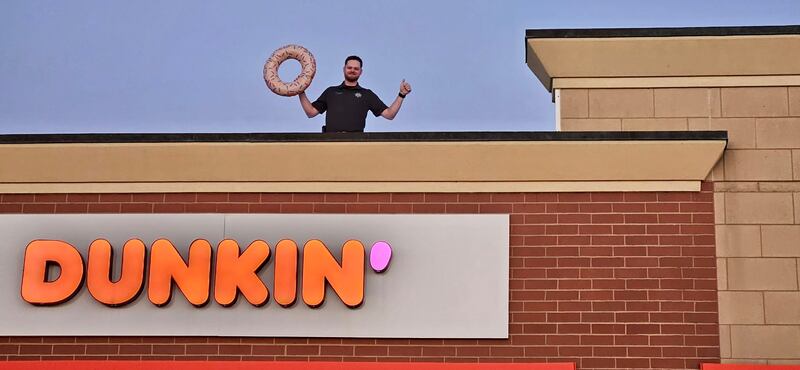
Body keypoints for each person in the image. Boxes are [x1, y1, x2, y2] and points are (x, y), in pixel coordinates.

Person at [298, 55, 412, 132]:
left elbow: (389, 114)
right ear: (344, 69)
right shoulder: (331, 92)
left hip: (356, 143)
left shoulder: (367, 94)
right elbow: (310, 112)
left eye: (356, 69)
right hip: (331, 141)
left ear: (361, 72)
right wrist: (300, 90)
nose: (352, 70)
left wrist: (401, 95)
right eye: (350, 67)